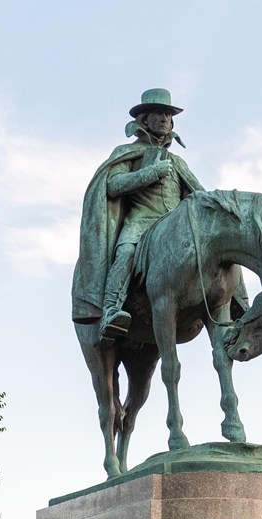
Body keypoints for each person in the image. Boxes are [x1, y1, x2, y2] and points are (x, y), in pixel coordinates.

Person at [72, 88, 207, 345]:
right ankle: (111, 310)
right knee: (126, 253)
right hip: (142, 221)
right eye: (159, 113)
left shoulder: (178, 162)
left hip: (175, 225)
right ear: (144, 120)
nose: (165, 119)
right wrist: (150, 173)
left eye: (168, 114)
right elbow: (113, 185)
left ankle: (234, 306)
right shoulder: (127, 151)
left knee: (218, 245)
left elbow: (198, 195)